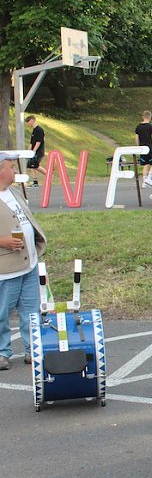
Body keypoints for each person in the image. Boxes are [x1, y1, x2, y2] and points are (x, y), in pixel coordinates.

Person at [0, 152, 47, 371]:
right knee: (2, 313)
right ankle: (2, 352)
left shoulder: (14, 193)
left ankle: (33, 350)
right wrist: (4, 241)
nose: (15, 171)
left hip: (28, 263)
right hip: (6, 268)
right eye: (11, 167)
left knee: (31, 311)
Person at [135, 111, 152, 187]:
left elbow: (136, 138)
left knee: (145, 164)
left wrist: (138, 146)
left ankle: (144, 181)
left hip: (142, 147)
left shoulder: (138, 127)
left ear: (143, 116)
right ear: (149, 117)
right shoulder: (150, 127)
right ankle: (149, 178)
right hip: (149, 146)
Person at [25, 116, 46, 186]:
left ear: (32, 120)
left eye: (28, 121)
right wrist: (28, 152)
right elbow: (31, 143)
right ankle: (35, 182)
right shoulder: (34, 131)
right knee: (32, 166)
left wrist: (34, 151)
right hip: (33, 152)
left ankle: (48, 175)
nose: (28, 123)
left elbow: (38, 142)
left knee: (35, 166)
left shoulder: (39, 130)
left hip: (38, 151)